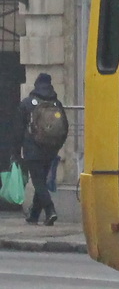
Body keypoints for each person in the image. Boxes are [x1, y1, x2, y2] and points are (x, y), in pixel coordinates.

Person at [13, 73, 66, 225]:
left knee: (38, 182)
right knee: (40, 181)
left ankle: (50, 210)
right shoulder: (56, 104)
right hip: (50, 150)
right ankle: (34, 215)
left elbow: (18, 130)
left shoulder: (27, 103)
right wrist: (57, 146)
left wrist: (16, 152)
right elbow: (65, 128)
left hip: (32, 150)